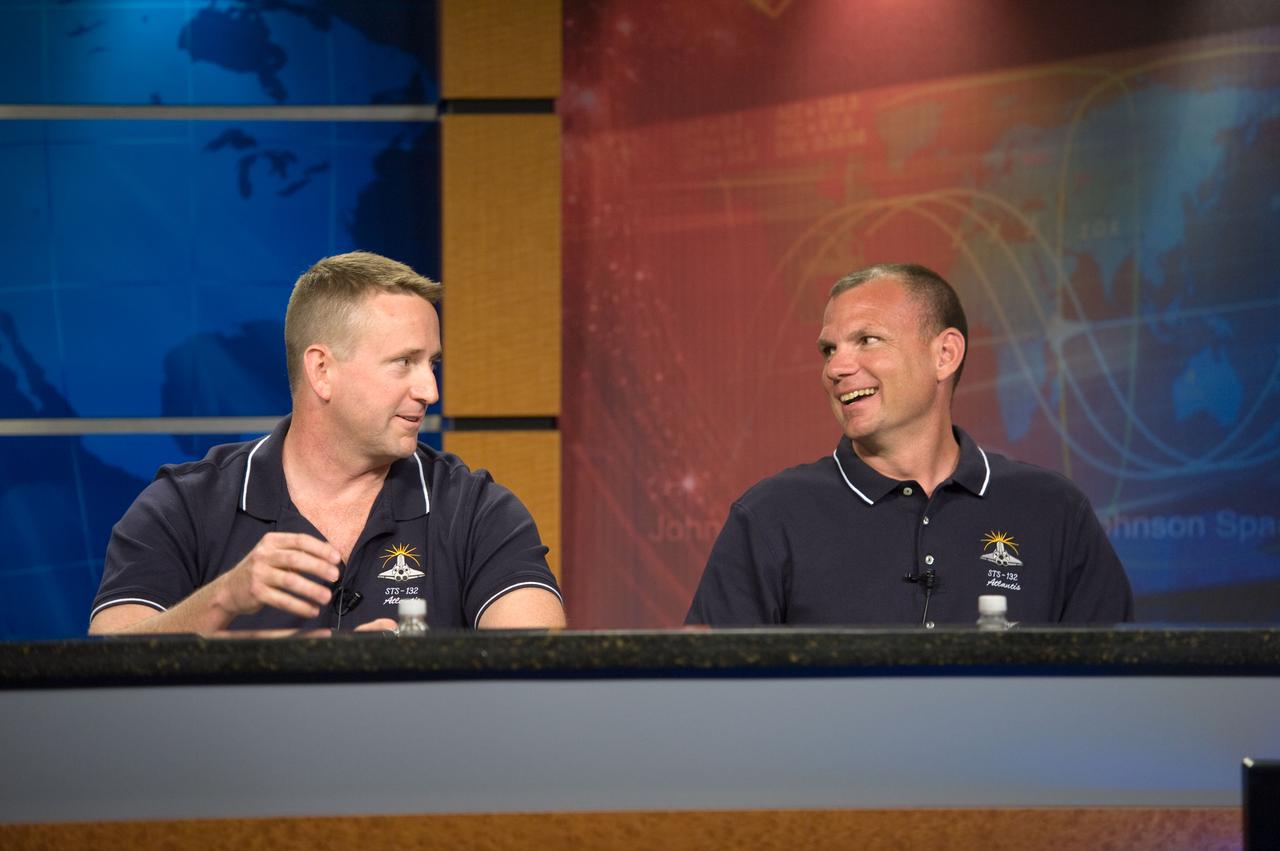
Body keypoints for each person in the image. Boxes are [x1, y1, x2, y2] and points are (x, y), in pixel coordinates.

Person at [91, 251, 565, 634]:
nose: (430, 391)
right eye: (404, 362)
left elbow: (537, 669)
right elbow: (104, 672)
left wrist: (415, 678)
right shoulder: (184, 506)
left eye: (431, 364)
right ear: (322, 370)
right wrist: (223, 600)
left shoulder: (476, 510)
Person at [686, 263, 1133, 627]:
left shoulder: (1053, 511)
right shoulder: (770, 516)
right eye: (828, 350)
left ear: (945, 355)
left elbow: (1115, 699)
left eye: (867, 340)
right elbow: (708, 702)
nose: (836, 368)